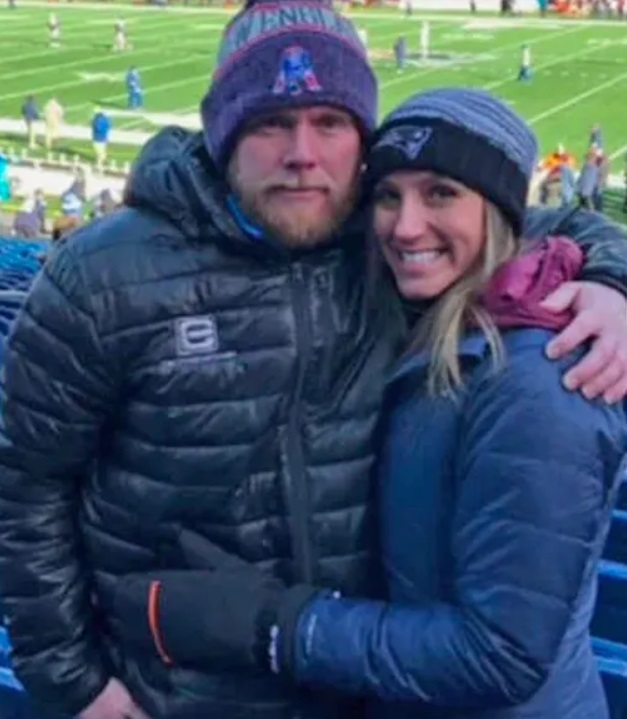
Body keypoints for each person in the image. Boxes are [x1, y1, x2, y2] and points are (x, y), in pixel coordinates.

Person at [1, 0, 627, 717]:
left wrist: (611, 280)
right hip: (175, 690)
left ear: (358, 141)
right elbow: (25, 487)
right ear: (223, 132)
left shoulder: (384, 234)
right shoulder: (99, 277)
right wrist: (72, 680)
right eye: (271, 122)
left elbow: (539, 224)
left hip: (355, 682)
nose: (303, 153)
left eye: (329, 122)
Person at [91, 107, 112, 172]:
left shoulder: (97, 120)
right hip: (102, 139)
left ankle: (100, 166)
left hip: (98, 139)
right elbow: (108, 126)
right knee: (101, 154)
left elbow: (98, 128)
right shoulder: (104, 120)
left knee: (100, 154)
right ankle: (101, 165)